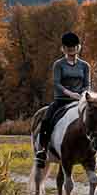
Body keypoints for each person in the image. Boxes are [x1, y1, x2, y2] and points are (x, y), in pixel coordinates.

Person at [34, 31, 90, 167]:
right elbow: (57, 84)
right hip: (62, 100)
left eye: (74, 47)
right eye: (68, 47)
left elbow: (87, 84)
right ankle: (42, 150)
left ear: (78, 47)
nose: (71, 49)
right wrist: (70, 94)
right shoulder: (58, 64)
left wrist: (82, 94)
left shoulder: (84, 65)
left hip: (80, 100)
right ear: (63, 48)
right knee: (47, 120)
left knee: (95, 119)